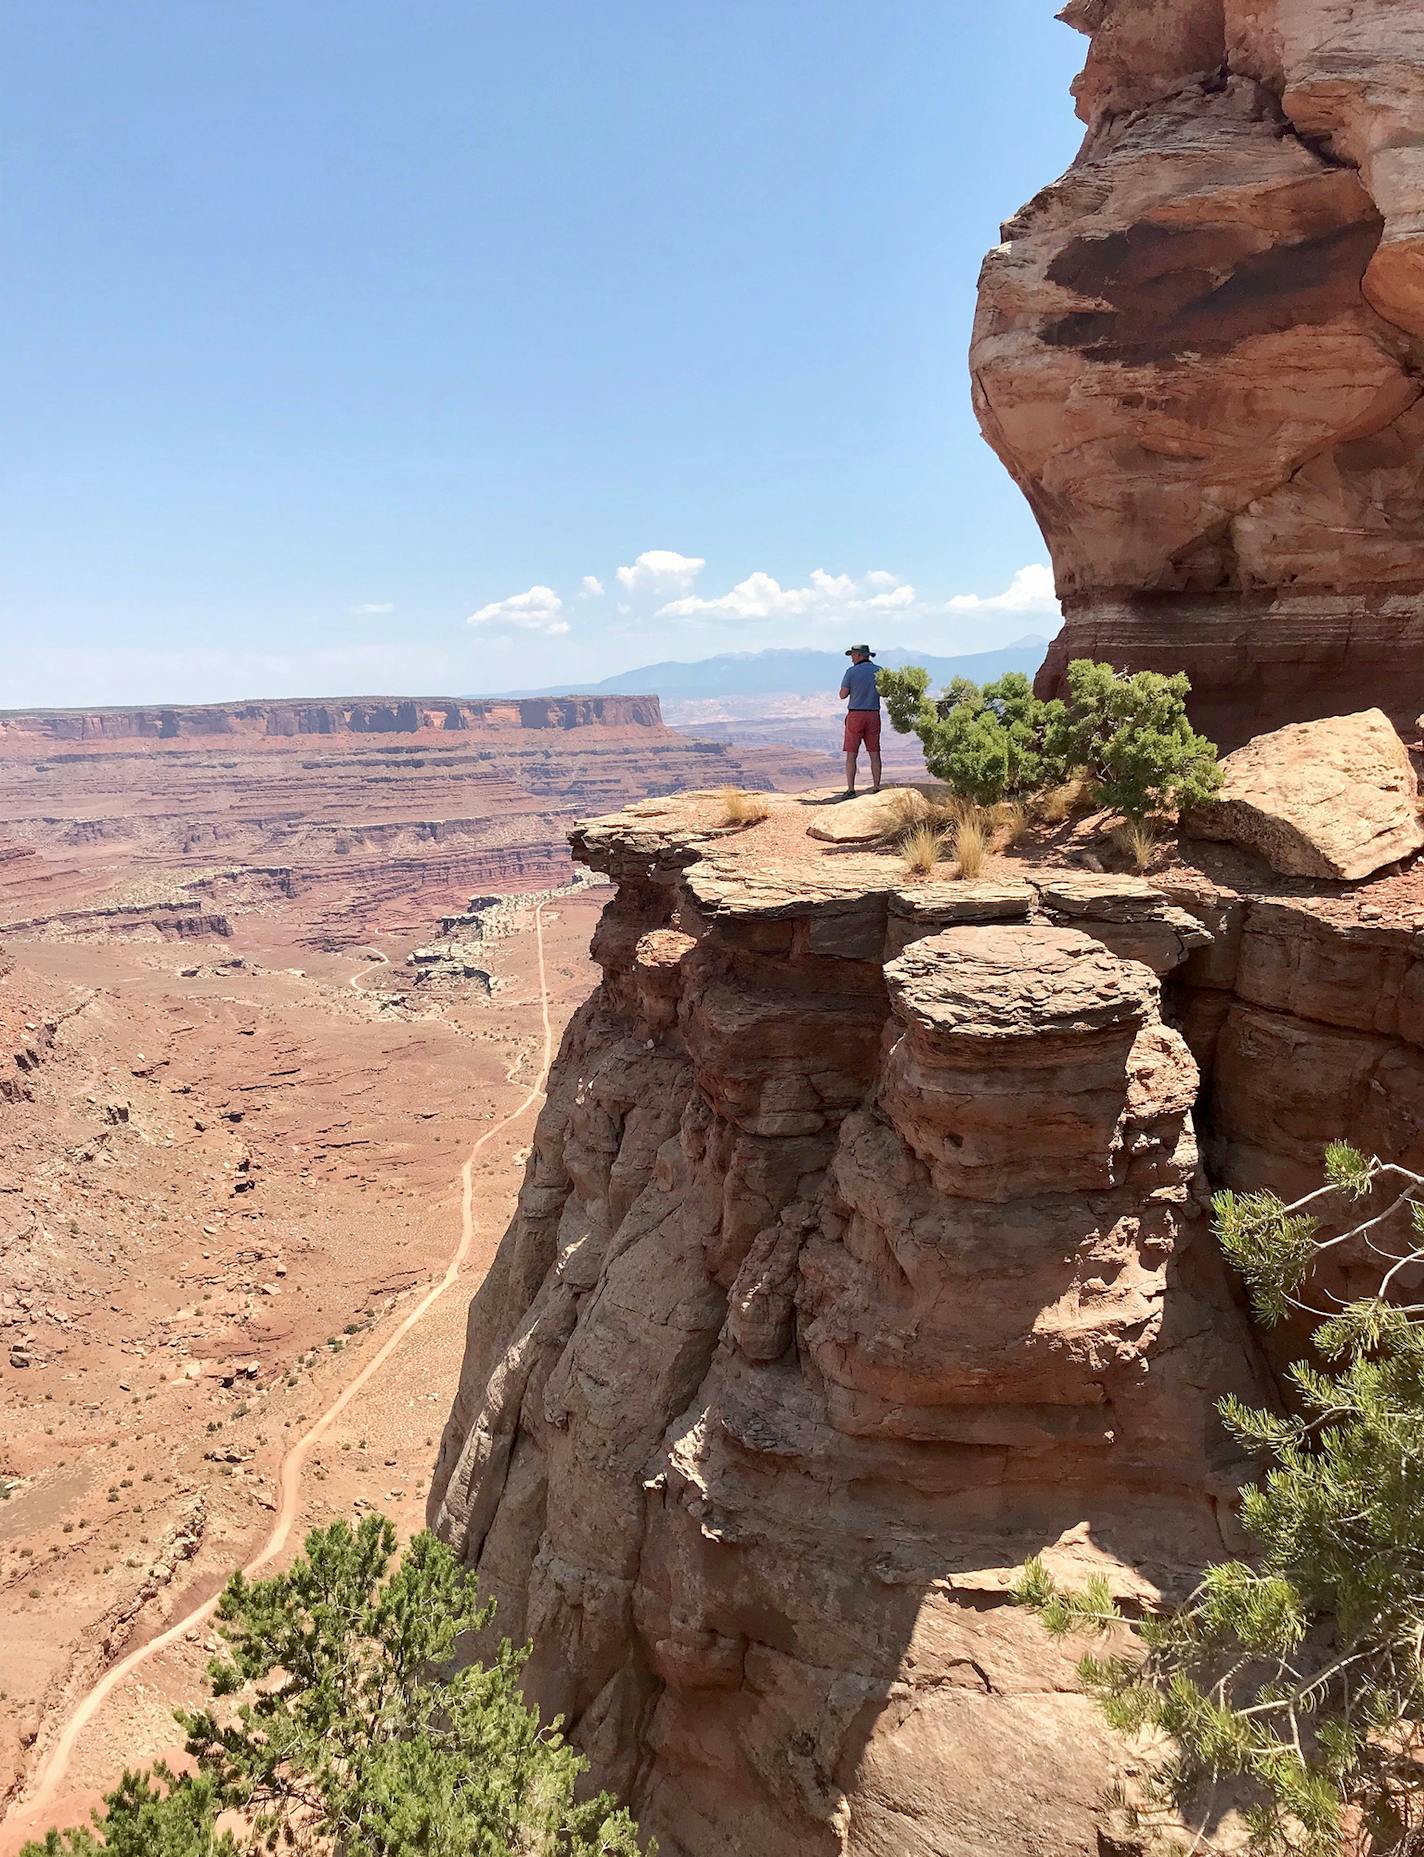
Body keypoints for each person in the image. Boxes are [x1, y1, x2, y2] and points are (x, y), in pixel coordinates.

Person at [838, 643, 882, 798]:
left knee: (851, 753)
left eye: (852, 655)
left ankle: (851, 789)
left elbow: (843, 695)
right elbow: (885, 692)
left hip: (856, 715)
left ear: (858, 655)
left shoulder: (851, 672)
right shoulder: (879, 671)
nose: (851, 659)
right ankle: (876, 786)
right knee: (874, 752)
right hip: (873, 714)